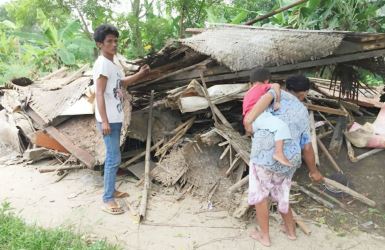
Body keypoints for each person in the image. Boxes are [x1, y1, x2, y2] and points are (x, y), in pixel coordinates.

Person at [244, 75, 324, 247]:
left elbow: (258, 106)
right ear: (304, 93)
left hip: (264, 154)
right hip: (289, 159)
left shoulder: (274, 94)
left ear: (287, 86)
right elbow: (307, 148)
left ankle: (264, 237)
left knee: (261, 196)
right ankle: (291, 231)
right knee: (282, 194)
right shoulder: (303, 111)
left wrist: (249, 120)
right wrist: (314, 171)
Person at [93, 24, 150, 215]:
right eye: (109, 41)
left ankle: (112, 190)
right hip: (107, 119)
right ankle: (107, 198)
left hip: (115, 118)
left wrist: (141, 75)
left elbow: (121, 83)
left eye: (116, 41)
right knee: (113, 158)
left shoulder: (113, 64)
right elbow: (99, 93)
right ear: (100, 44)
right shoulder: (102, 63)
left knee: (114, 158)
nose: (114, 44)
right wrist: (105, 120)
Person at [243, 67, 292, 166]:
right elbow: (276, 86)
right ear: (266, 80)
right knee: (282, 127)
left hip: (249, 121)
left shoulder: (247, 93)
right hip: (258, 116)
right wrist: (277, 101)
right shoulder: (262, 87)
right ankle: (279, 153)